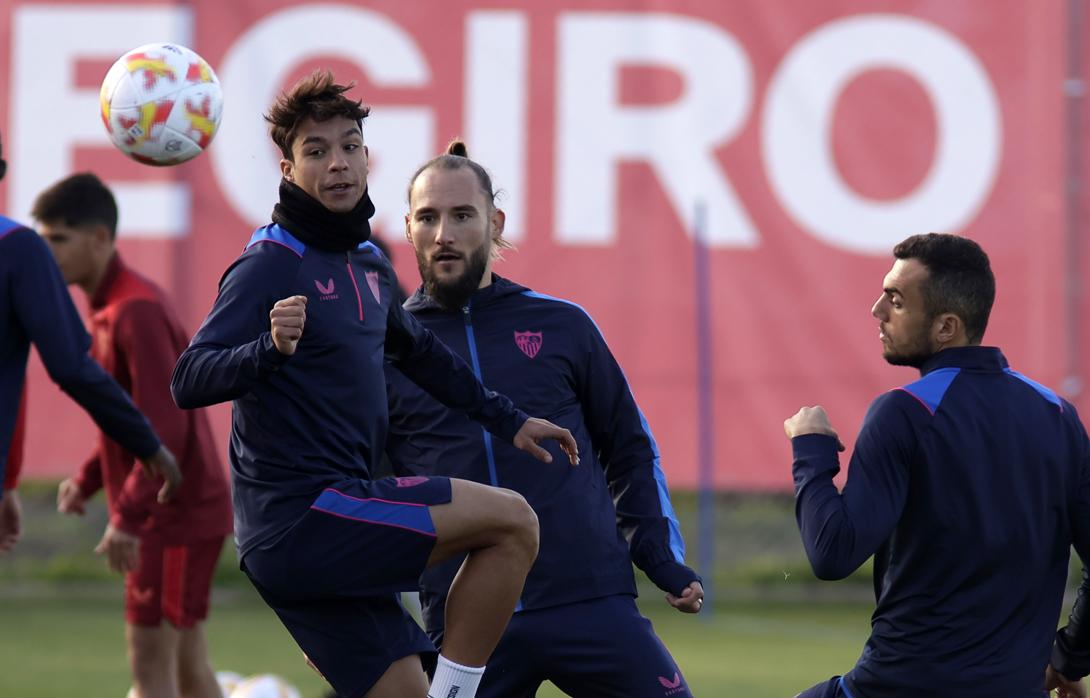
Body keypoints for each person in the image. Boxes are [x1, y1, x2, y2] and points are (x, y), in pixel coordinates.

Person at [170, 70, 579, 698]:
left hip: (332, 516)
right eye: (316, 151)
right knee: (514, 523)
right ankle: (460, 693)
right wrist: (267, 350)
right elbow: (188, 379)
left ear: (366, 155)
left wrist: (510, 419)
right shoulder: (270, 263)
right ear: (288, 171)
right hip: (303, 519)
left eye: (349, 146)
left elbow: (419, 355)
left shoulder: (366, 261)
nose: (338, 164)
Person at [385, 141, 703, 697]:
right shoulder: (387, 352)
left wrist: (659, 557)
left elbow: (629, 447)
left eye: (462, 215)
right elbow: (363, 496)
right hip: (465, 625)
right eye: (429, 218)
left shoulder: (562, 325)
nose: (445, 234)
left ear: (494, 222)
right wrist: (353, 623)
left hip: (589, 598)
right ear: (408, 227)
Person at [784, 233, 1090, 698]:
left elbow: (832, 552)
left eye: (896, 300)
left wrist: (812, 451)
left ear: (946, 327)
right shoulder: (1058, 415)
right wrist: (1066, 660)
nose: (877, 311)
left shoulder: (903, 412)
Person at [32, 172, 233, 698]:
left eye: (57, 238)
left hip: (173, 516)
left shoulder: (133, 309)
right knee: (188, 669)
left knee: (151, 670)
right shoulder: (110, 307)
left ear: (99, 239)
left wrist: (127, 516)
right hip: (175, 513)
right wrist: (89, 478)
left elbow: (163, 422)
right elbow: (129, 420)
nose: (46, 252)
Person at [0, 130, 181, 557]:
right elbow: (69, 368)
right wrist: (147, 444)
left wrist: (8, 481)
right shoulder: (18, 249)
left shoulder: (134, 306)